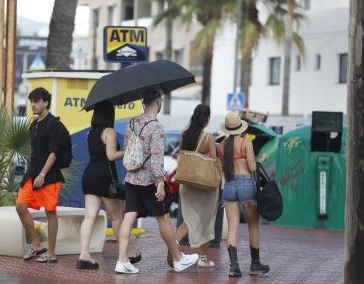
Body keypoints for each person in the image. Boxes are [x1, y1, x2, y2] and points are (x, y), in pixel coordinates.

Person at [115, 89, 198, 274]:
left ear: (144, 102)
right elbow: (156, 158)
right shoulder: (157, 127)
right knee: (163, 219)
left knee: (128, 216)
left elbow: (129, 150)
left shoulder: (132, 123)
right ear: (158, 102)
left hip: (131, 178)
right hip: (149, 181)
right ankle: (178, 259)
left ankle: (122, 260)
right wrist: (160, 182)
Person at [77, 100, 140, 269]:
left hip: (89, 175)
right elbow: (111, 156)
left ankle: (83, 254)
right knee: (117, 216)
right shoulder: (109, 131)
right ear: (109, 114)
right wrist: (129, 150)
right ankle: (124, 254)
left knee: (90, 216)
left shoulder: (91, 132)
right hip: (104, 177)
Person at [218, 111, 269, 277]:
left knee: (232, 227)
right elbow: (253, 168)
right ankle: (255, 265)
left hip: (230, 187)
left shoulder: (222, 146)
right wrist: (262, 159)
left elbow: (223, 167)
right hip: (246, 186)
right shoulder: (246, 143)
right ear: (240, 127)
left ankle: (234, 267)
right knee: (252, 225)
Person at [16, 87, 64, 264]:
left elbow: (54, 152)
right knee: (20, 206)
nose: (33, 105)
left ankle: (51, 253)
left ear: (45, 102)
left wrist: (43, 174)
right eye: (31, 102)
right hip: (32, 173)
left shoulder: (53, 124)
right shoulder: (34, 124)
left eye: (36, 101)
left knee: (50, 212)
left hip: (49, 176)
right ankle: (36, 244)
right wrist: (33, 173)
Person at [170, 104, 218, 268]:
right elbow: (212, 160)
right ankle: (202, 258)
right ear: (207, 119)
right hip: (203, 186)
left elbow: (182, 157)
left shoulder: (184, 135)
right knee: (205, 221)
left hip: (186, 184)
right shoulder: (208, 137)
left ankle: (174, 243)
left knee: (190, 218)